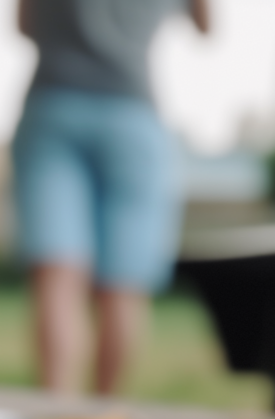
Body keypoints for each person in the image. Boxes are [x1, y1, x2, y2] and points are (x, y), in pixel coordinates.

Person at [13, 0, 209, 396]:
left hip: (54, 104)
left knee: (58, 277)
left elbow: (24, 23)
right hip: (132, 114)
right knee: (123, 286)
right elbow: (205, 25)